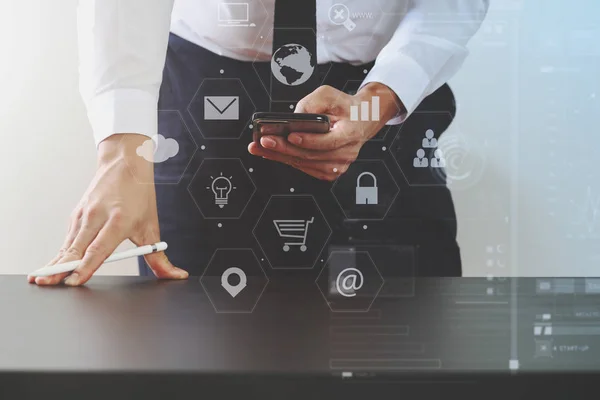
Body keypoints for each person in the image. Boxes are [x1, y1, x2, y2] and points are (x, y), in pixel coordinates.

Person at [28, 0, 489, 286]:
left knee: (408, 345)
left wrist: (375, 105)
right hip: (203, 92)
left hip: (381, 93)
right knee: (185, 348)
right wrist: (121, 154)